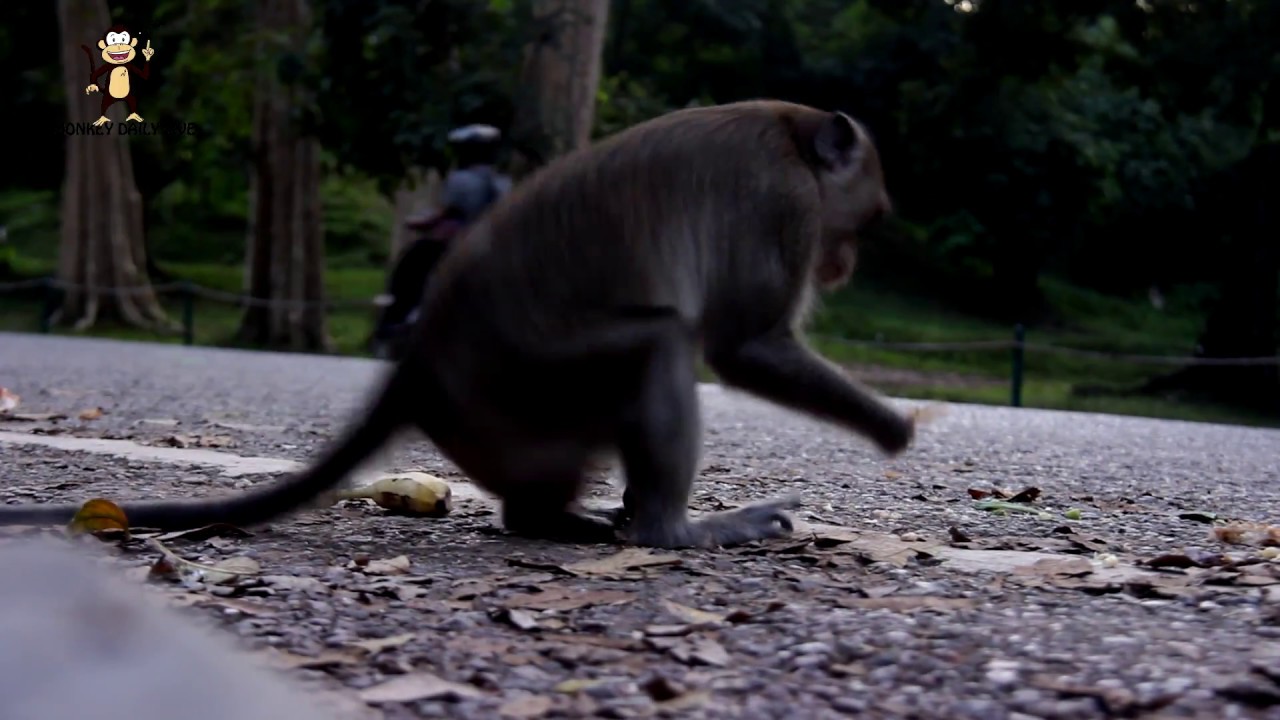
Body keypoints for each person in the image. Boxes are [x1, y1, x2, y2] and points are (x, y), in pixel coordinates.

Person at [371, 124, 512, 360]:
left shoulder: (461, 179)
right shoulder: (503, 183)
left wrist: (418, 223)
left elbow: (448, 214)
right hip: (492, 245)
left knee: (410, 268)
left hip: (453, 243)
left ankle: (399, 317)